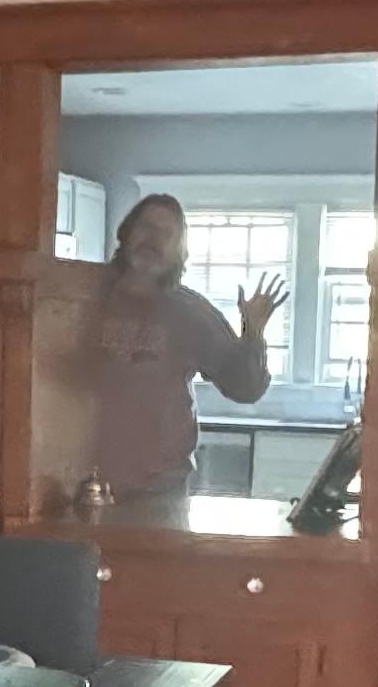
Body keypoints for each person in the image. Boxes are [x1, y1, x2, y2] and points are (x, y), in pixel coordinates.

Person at [88, 193, 282, 497]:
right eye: (147, 227)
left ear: (179, 252)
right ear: (126, 233)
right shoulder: (80, 298)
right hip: (75, 487)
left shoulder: (191, 313)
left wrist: (253, 334)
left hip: (158, 489)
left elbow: (245, 389)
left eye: (167, 234)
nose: (153, 239)